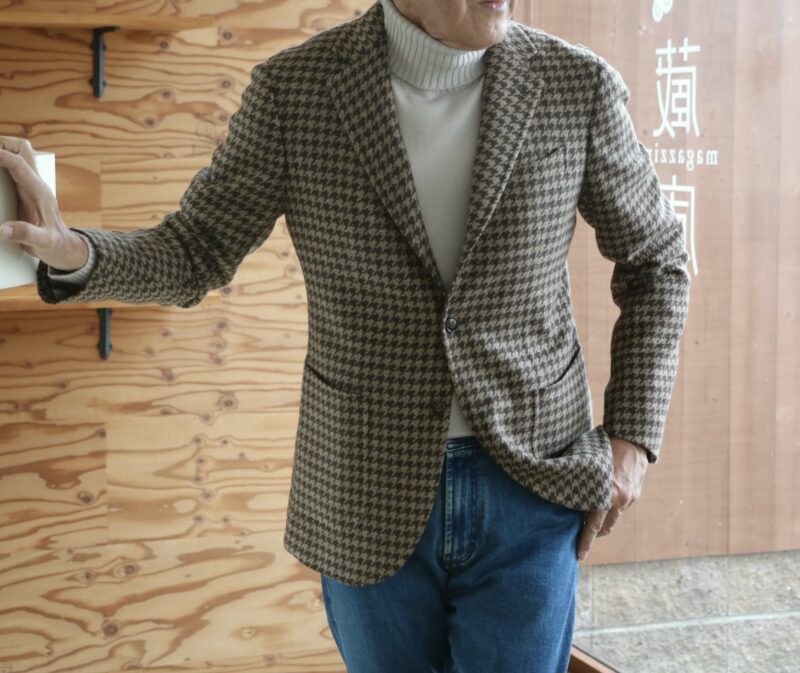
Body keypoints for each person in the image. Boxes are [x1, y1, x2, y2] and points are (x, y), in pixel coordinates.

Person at [0, 0, 691, 671]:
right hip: (363, 486)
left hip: (533, 484)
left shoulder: (576, 84)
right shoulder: (297, 91)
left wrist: (632, 438)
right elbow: (197, 249)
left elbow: (657, 260)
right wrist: (74, 251)